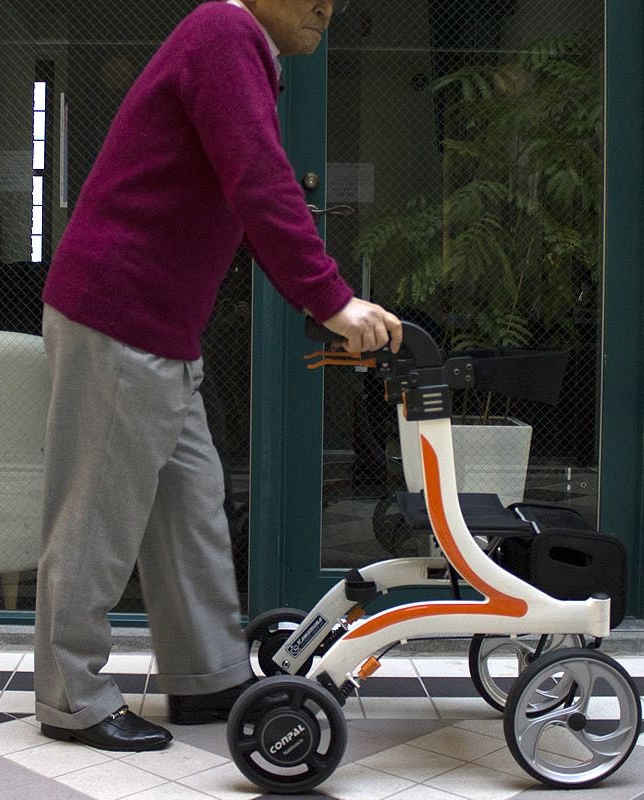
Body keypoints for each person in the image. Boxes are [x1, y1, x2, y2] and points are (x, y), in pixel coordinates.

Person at [34, 0, 403, 753]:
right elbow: (260, 181)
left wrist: (317, 291)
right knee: (95, 519)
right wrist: (330, 298)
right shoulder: (224, 32)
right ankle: (71, 698)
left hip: (159, 327)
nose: (326, 5)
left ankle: (206, 677)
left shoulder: (240, 48)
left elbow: (250, 188)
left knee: (192, 510)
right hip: (119, 312)